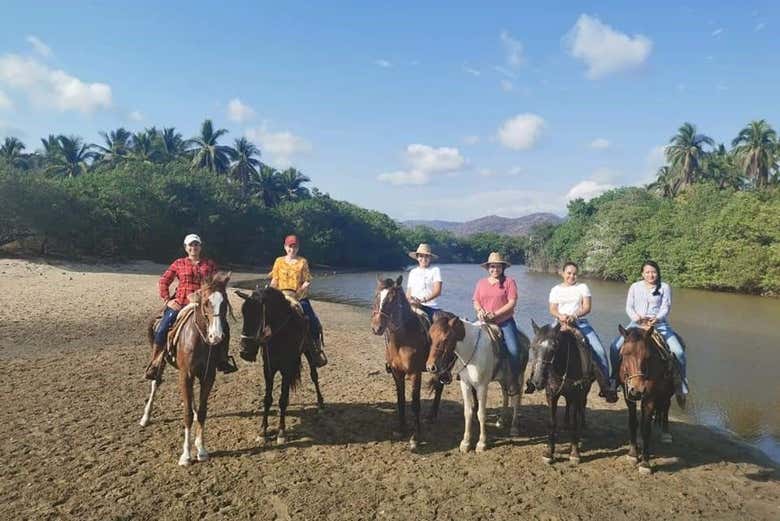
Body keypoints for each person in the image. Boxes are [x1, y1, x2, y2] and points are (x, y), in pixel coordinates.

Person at [145, 233, 237, 380]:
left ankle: (223, 359)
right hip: (181, 302)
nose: (194, 247)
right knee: (163, 326)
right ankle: (155, 362)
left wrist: (222, 281)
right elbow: (163, 281)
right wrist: (168, 300)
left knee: (224, 326)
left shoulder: (209, 264)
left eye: (196, 244)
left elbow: (216, 283)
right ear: (186, 248)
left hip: (203, 304)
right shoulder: (178, 263)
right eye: (191, 245)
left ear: (200, 246)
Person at [609, 260, 688, 404]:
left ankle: (681, 385)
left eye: (653, 272)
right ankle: (614, 380)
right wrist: (637, 318)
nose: (651, 275)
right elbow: (629, 307)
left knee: (679, 351)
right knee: (614, 347)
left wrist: (656, 319)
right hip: (636, 324)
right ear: (642, 274)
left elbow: (666, 307)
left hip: (659, 325)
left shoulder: (664, 287)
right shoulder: (635, 287)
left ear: (657, 273)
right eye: (647, 272)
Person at [536, 261, 617, 402]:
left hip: (579, 323)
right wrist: (560, 316)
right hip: (558, 323)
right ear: (562, 273)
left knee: (599, 350)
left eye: (574, 274)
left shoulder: (583, 287)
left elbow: (587, 307)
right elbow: (553, 309)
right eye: (569, 273)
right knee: (542, 344)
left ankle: (606, 386)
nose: (571, 276)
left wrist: (574, 316)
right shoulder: (555, 289)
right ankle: (534, 378)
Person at [269, 234, 327, 367]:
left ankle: (316, 352)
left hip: (299, 297)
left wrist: (299, 292)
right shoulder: (278, 261)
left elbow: (307, 281)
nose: (292, 249)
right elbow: (275, 279)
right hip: (281, 296)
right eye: (290, 246)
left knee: (313, 321)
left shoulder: (303, 262)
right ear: (285, 247)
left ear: (298, 248)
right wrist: (270, 291)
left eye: (295, 247)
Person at [472, 252, 526, 394]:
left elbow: (512, 302)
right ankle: (463, 373)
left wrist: (495, 314)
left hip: (504, 321)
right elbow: (476, 300)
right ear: (488, 268)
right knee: (465, 338)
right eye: (492, 266)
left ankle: (513, 380)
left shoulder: (509, 282)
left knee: (514, 350)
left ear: (503, 268)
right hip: (483, 320)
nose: (495, 269)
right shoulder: (481, 283)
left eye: (498, 266)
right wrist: (479, 311)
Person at [406, 243, 443, 322]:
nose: (423, 259)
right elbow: (408, 293)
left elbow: (437, 291)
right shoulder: (412, 272)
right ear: (417, 258)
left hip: (429, 306)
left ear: (430, 258)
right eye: (421, 256)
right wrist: (410, 301)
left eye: (426, 256)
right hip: (413, 305)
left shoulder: (435, 270)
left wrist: (422, 300)